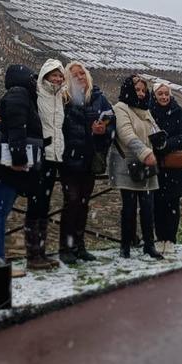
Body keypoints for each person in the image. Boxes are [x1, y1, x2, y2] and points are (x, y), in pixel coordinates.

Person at [0, 65, 43, 277]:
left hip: (2, 169)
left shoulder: (19, 96)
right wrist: (19, 159)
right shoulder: (19, 94)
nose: (35, 82)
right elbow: (17, 129)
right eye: (32, 78)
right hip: (4, 169)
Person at [58, 61, 114, 264]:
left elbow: (111, 123)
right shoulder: (63, 99)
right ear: (68, 78)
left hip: (89, 160)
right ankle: (65, 247)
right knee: (71, 202)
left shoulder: (98, 98)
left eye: (82, 73)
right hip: (69, 160)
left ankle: (79, 247)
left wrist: (103, 131)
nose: (80, 77)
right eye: (75, 75)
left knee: (83, 204)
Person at [108, 75, 163, 260]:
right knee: (129, 208)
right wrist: (145, 153)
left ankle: (149, 245)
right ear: (128, 90)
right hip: (129, 163)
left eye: (142, 90)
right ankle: (126, 247)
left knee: (148, 207)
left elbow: (153, 130)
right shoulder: (121, 108)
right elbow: (126, 134)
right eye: (137, 90)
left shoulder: (145, 110)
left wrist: (160, 140)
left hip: (146, 165)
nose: (140, 94)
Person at [25, 58, 66, 271]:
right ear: (45, 76)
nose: (58, 78)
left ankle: (41, 252)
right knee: (36, 205)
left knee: (45, 205)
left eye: (60, 75)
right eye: (54, 75)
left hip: (55, 158)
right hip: (40, 157)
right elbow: (12, 104)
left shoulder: (61, 97)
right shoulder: (36, 93)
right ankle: (32, 254)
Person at [150, 82, 182, 256]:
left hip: (173, 166)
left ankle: (171, 239)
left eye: (166, 94)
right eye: (160, 94)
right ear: (155, 95)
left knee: (172, 204)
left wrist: (168, 144)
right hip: (156, 164)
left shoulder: (178, 111)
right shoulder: (149, 112)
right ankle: (160, 239)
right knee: (157, 204)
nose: (164, 97)